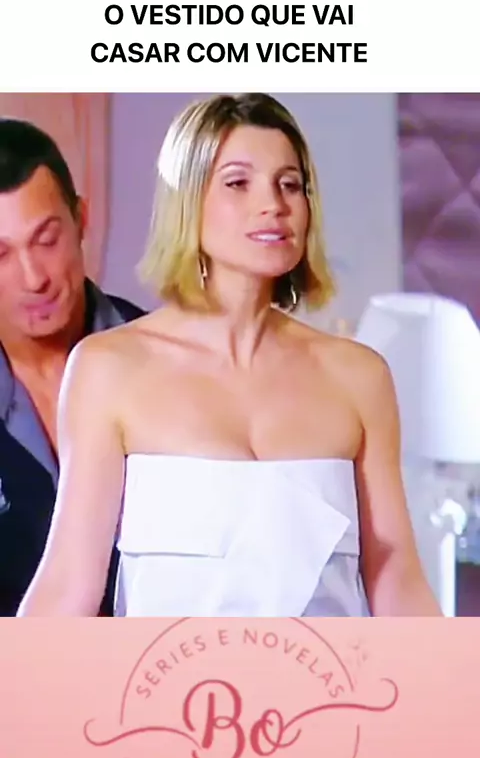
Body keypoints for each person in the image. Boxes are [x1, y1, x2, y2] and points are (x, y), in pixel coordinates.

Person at [17, 94, 441, 618]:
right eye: (238, 183)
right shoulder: (109, 369)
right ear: (187, 201)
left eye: (289, 184)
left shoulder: (359, 375)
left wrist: (451, 667)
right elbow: (68, 583)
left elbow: (396, 575)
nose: (274, 204)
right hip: (168, 672)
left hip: (328, 672)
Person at [0, 117, 145, 617]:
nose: (33, 278)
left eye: (46, 240)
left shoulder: (167, 360)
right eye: (0, 254)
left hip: (163, 657)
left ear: (82, 220)